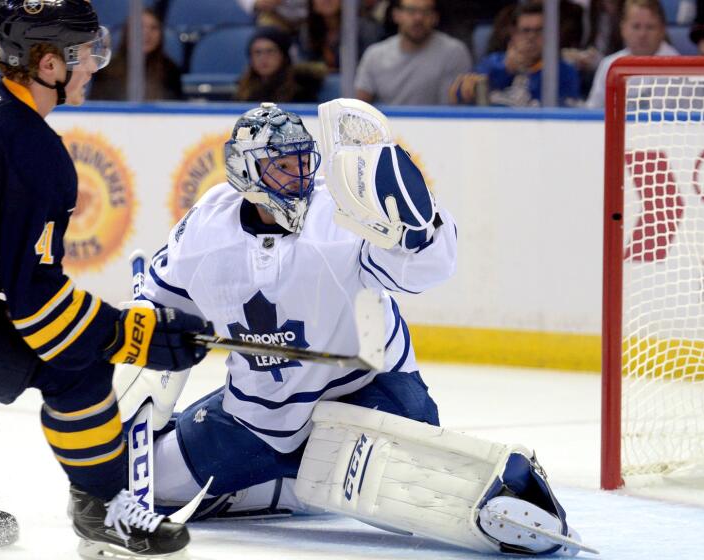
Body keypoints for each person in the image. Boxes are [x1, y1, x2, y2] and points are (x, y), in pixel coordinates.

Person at [120, 101, 586, 556]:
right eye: (282, 166)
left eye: (303, 161)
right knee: (151, 484)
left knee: (419, 494)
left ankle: (287, 481)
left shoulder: (340, 210)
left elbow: (421, 272)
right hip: (257, 417)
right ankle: (291, 486)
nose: (299, 176)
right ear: (246, 173)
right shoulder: (207, 227)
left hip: (370, 395)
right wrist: (143, 343)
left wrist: (420, 231)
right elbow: (159, 302)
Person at [0, 0, 211, 557]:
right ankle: (105, 510)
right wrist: (126, 333)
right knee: (75, 368)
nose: (94, 63)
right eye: (83, 53)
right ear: (48, 65)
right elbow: (40, 313)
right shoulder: (35, 155)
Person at [451, 1, 581, 107]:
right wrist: (505, 70)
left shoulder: (563, 71)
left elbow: (562, 112)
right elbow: (459, 95)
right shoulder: (492, 63)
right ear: (513, 33)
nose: (531, 37)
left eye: (539, 30)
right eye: (525, 30)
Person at [354, 0, 472, 106]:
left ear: (435, 17)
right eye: (411, 10)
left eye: (426, 11)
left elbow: (453, 110)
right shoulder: (374, 55)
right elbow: (359, 108)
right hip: (387, 127)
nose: (418, 18)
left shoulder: (454, 53)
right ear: (396, 15)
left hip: (437, 127)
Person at [586, 0, 678, 108]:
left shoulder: (680, 67)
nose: (642, 34)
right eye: (636, 26)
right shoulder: (609, 65)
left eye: (650, 27)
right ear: (623, 29)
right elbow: (593, 111)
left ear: (662, 30)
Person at [90, 8, 182, 101]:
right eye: (139, 27)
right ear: (127, 33)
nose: (146, 33)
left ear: (161, 35)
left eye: (153, 28)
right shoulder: (107, 70)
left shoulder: (171, 70)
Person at [235, 25, 323, 102]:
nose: (263, 58)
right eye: (257, 52)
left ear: (283, 56)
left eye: (270, 51)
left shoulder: (301, 89)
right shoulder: (242, 90)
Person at [298, 0, 383, 72]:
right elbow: (306, 69)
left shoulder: (366, 30)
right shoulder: (306, 32)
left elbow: (369, 70)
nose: (327, 0)